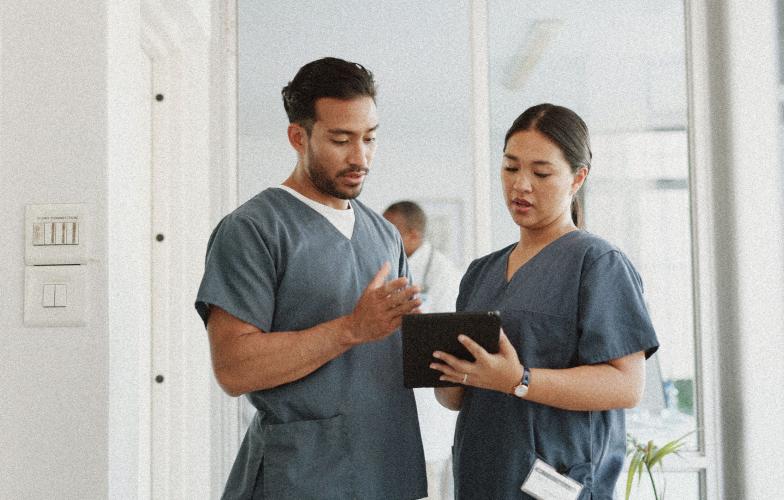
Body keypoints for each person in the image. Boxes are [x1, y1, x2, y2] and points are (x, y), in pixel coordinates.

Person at [195, 57, 427, 500]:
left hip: (386, 469)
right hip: (303, 477)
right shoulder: (253, 230)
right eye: (341, 140)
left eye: (370, 139)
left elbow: (395, 351)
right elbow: (233, 367)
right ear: (298, 137)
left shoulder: (384, 236)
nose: (360, 157)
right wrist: (349, 329)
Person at [431, 103, 659, 499]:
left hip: (556, 483)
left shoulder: (598, 263)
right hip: (481, 477)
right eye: (510, 167)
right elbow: (455, 398)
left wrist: (519, 381)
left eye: (541, 173)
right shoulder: (481, 272)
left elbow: (627, 385)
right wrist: (445, 370)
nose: (521, 185)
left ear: (577, 178)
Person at [383, 201, 463, 500]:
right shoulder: (390, 270)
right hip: (392, 399)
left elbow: (441, 340)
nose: (384, 238)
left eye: (392, 232)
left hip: (430, 407)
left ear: (414, 235)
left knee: (427, 488)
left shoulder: (443, 275)